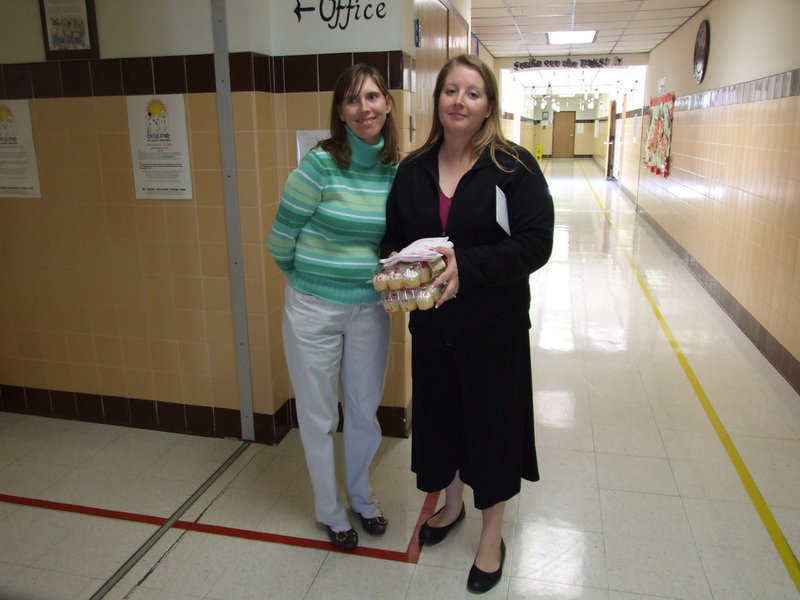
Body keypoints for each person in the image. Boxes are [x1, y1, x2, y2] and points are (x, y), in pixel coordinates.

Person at [380, 54, 554, 593]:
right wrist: (400, 267)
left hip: (493, 332)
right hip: (433, 331)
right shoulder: (413, 169)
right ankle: (451, 506)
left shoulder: (513, 167)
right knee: (444, 422)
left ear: (489, 106)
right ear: (437, 100)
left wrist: (467, 268)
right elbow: (393, 237)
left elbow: (536, 243)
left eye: (472, 93)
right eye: (450, 90)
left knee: (491, 430)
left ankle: (491, 534)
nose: (459, 100)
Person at [268, 64, 400, 550]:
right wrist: (308, 281)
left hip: (369, 309)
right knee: (320, 413)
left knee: (364, 411)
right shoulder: (319, 165)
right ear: (340, 113)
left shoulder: (395, 170)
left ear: (387, 104)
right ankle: (330, 509)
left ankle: (363, 498)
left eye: (371, 97)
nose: (363, 108)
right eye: (351, 100)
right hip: (313, 308)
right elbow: (280, 237)